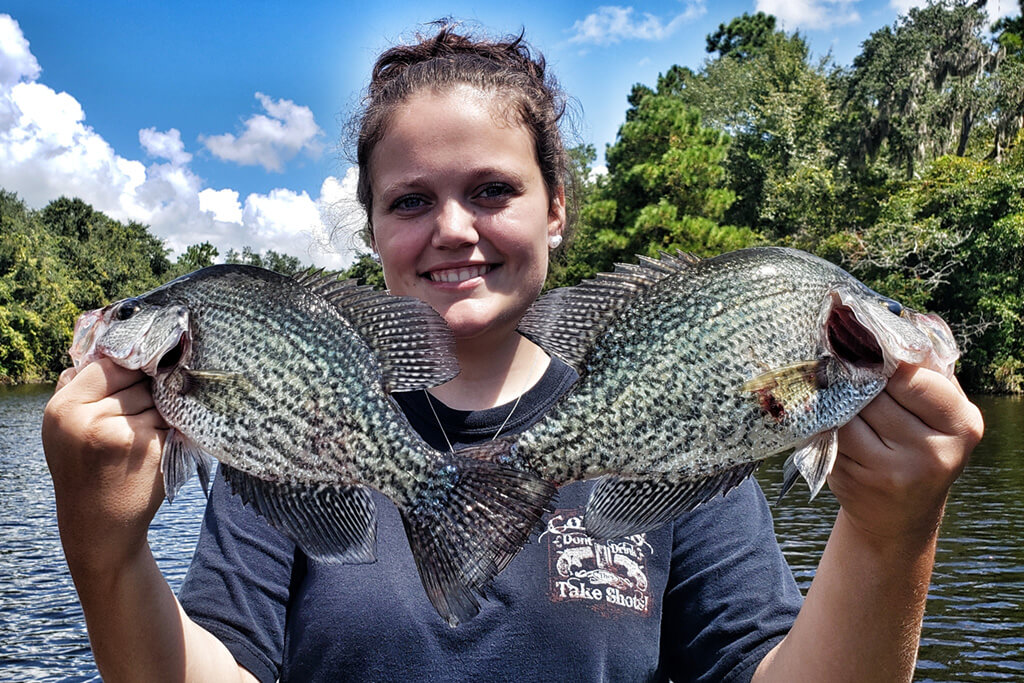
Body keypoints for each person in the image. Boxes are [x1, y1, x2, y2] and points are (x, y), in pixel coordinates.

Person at [42, 25, 983, 683]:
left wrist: (892, 532)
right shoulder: (302, 431)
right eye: (410, 200)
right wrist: (102, 540)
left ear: (556, 208)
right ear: (370, 229)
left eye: (493, 189)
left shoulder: (673, 425)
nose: (454, 229)